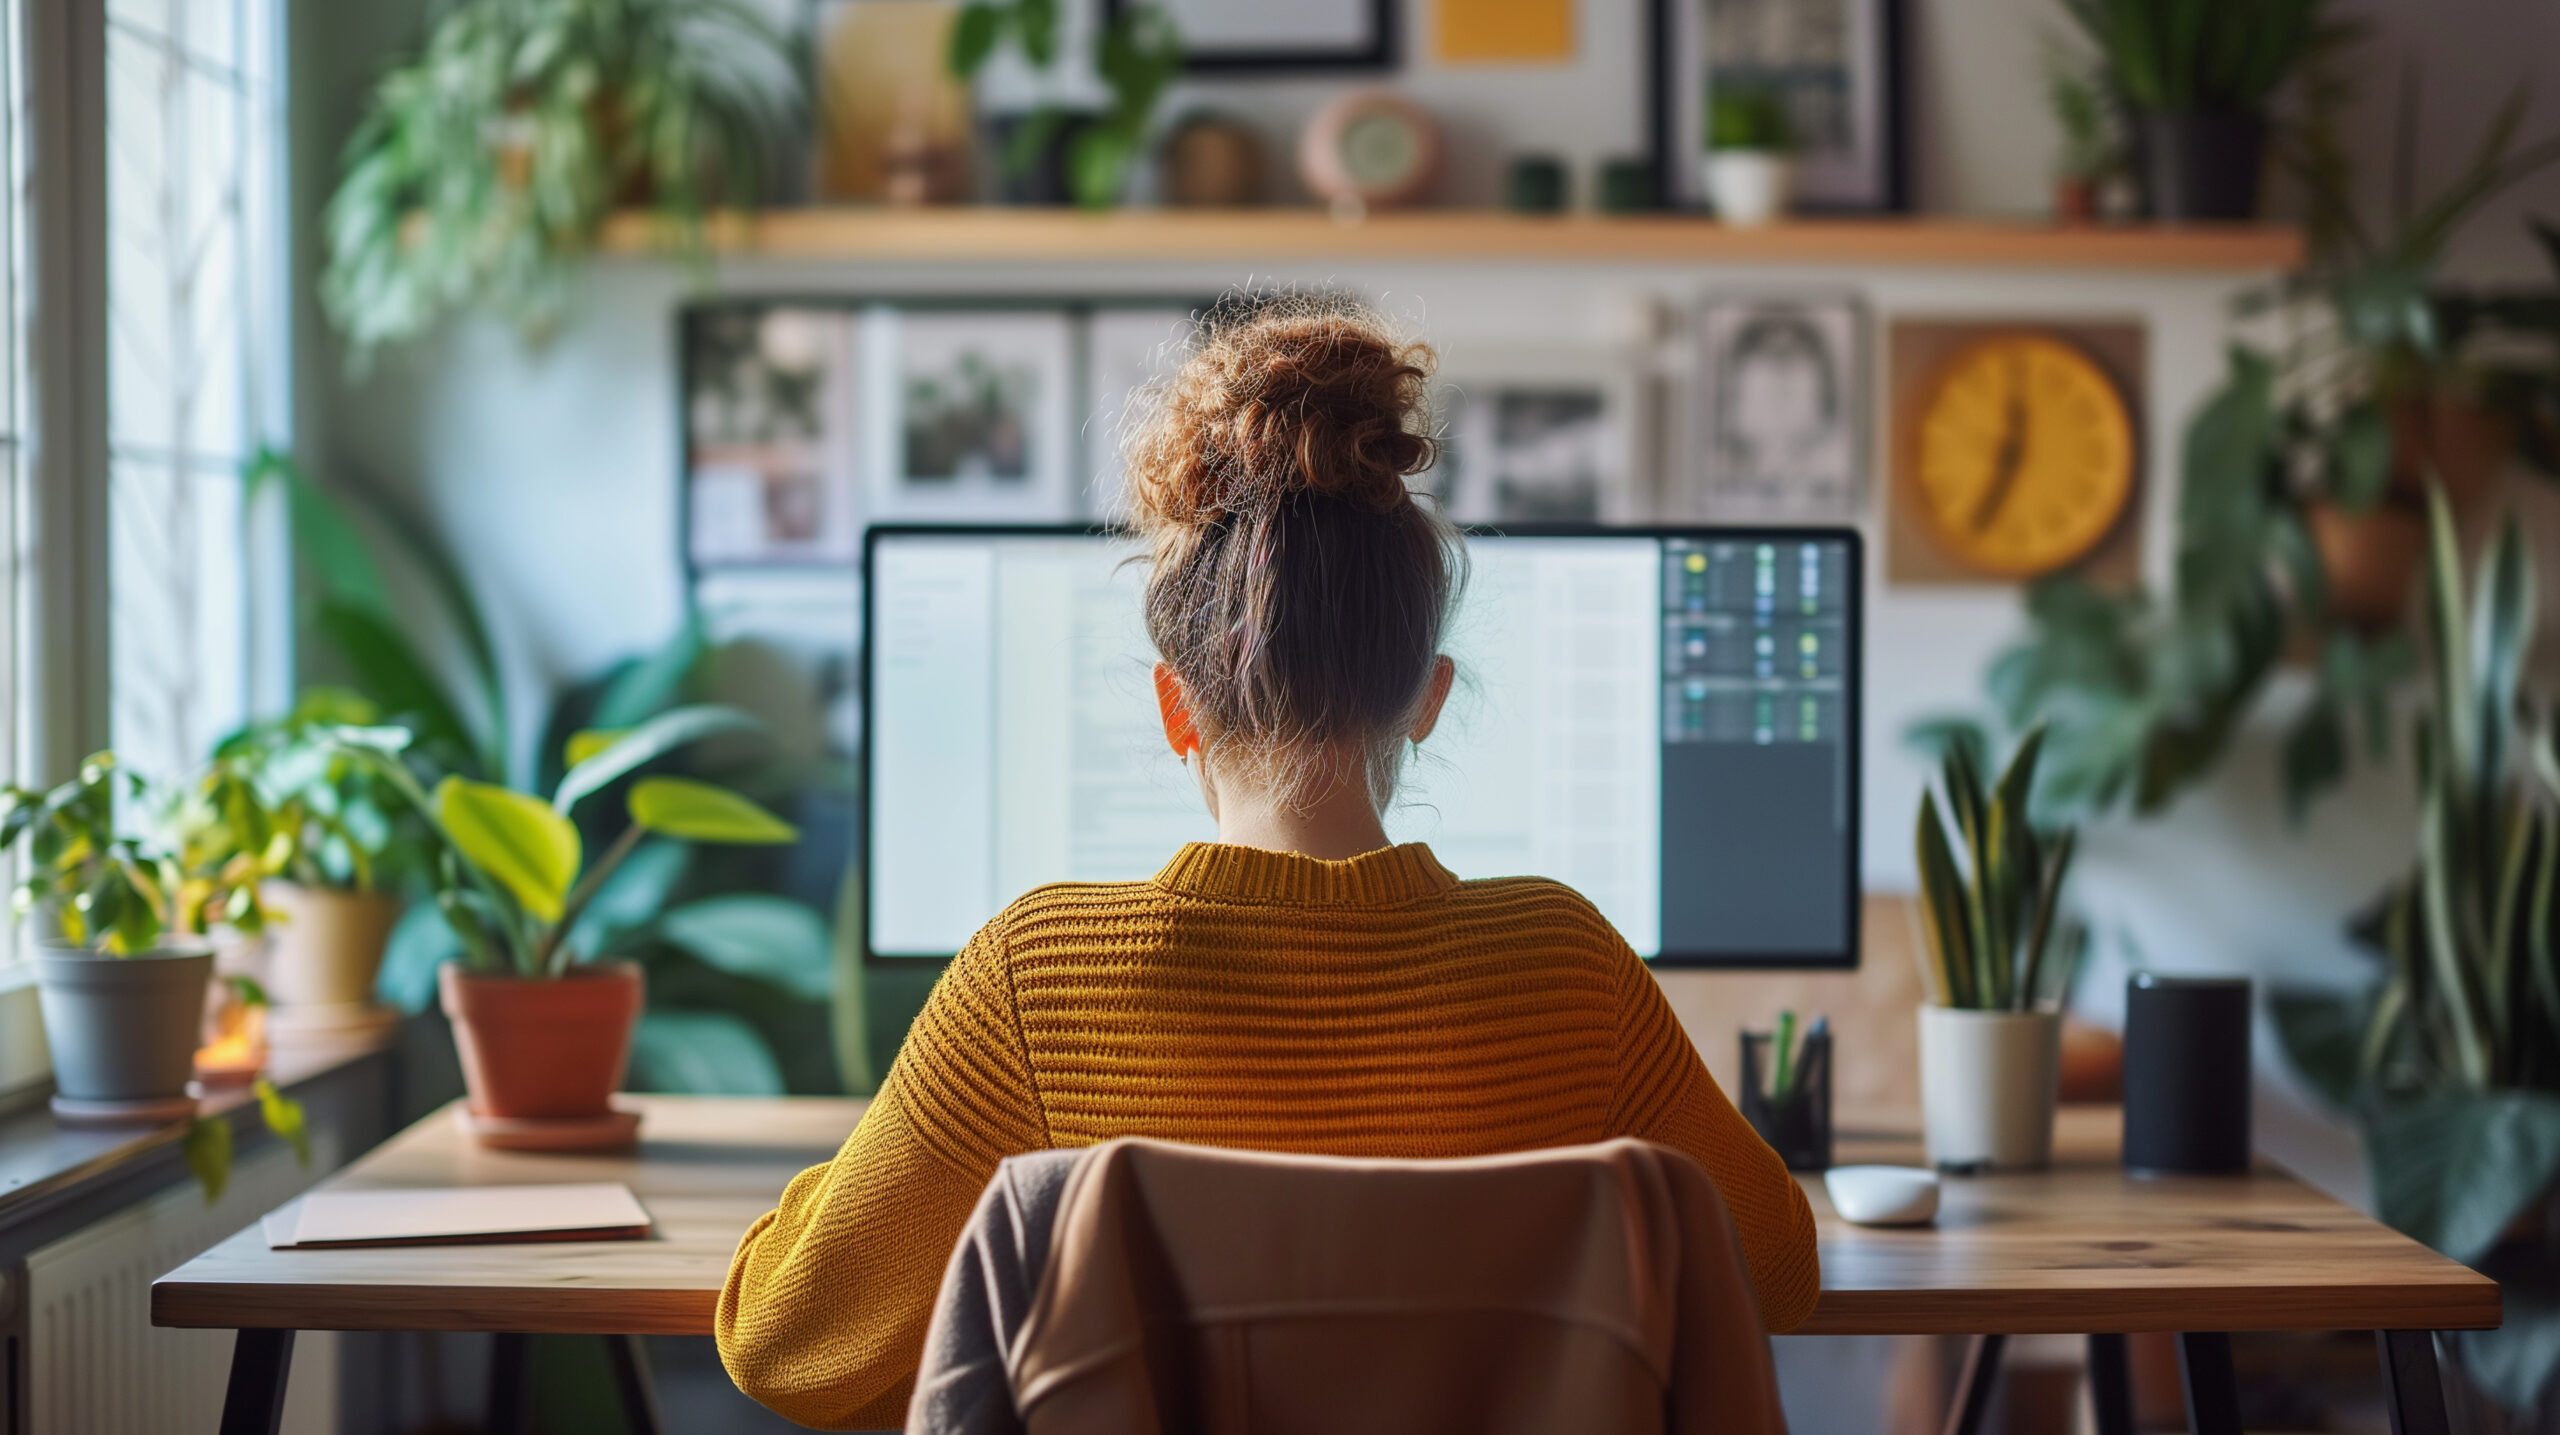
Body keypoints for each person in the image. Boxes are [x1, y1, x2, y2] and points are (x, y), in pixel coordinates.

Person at [716, 296, 1821, 1430]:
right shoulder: (1569, 964)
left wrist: (860, 1188)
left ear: (1173, 706)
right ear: (1426, 700)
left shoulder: (1032, 979)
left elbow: (783, 1343)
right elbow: (1778, 1268)